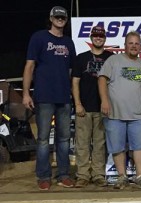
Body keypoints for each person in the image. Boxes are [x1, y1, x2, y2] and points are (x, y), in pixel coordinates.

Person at [22, 6, 76, 190]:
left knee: (64, 139)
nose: (60, 19)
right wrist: (26, 93)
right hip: (44, 96)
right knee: (43, 139)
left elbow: (71, 71)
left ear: (66, 20)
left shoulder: (69, 42)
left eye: (63, 17)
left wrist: (74, 95)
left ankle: (63, 174)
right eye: (57, 17)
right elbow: (29, 66)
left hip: (64, 97)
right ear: (51, 18)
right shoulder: (39, 37)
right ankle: (44, 176)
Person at [98, 31, 141, 189]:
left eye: (136, 43)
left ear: (140, 46)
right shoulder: (113, 60)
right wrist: (105, 101)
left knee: (140, 146)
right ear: (125, 45)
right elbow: (101, 80)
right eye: (131, 43)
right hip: (115, 113)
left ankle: (140, 176)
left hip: (138, 114)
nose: (134, 46)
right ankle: (122, 176)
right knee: (117, 146)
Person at [71, 26, 114, 188]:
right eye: (95, 36)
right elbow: (75, 82)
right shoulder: (81, 58)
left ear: (105, 38)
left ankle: (98, 174)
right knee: (82, 143)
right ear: (91, 37)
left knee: (100, 144)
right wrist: (78, 104)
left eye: (101, 36)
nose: (98, 38)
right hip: (84, 108)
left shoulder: (111, 58)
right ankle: (82, 175)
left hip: (103, 108)